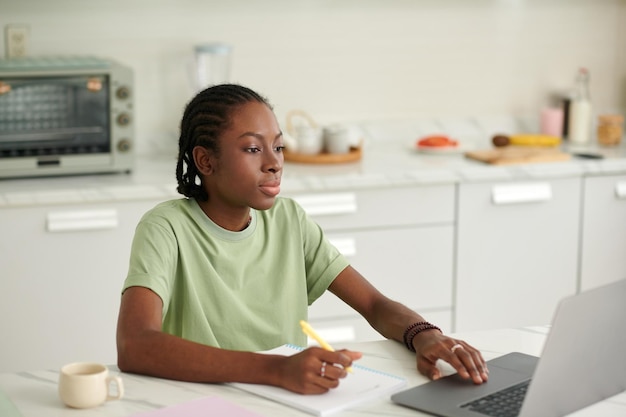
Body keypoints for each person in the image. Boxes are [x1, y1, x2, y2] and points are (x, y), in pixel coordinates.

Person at [116, 84, 488, 395]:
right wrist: (277, 370)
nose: (274, 162)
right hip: (203, 401)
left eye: (277, 147)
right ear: (205, 161)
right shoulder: (166, 228)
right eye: (251, 148)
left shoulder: (289, 220)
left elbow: (374, 305)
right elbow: (135, 345)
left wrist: (424, 336)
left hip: (284, 400)